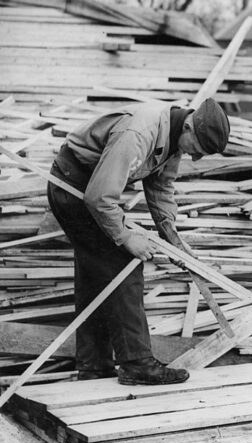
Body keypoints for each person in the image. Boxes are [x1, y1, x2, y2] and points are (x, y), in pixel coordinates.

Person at [47, 98, 230, 385]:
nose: (196, 159)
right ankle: (136, 364)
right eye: (198, 150)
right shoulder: (138, 134)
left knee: (97, 275)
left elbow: (160, 188)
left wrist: (172, 240)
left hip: (90, 186)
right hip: (73, 187)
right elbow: (99, 197)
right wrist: (125, 238)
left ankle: (94, 367)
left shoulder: (174, 135)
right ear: (190, 126)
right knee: (124, 263)